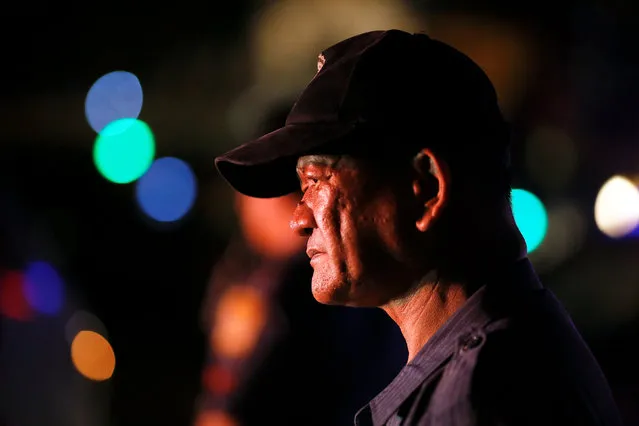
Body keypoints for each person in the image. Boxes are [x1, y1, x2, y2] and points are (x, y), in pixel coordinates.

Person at [214, 29, 623, 425]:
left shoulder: (471, 403)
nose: (298, 218)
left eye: (316, 182)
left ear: (426, 188)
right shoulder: (501, 362)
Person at [195, 101, 404, 426]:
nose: (240, 204)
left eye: (250, 186)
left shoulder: (282, 283)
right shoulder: (371, 273)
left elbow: (227, 410)